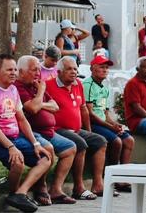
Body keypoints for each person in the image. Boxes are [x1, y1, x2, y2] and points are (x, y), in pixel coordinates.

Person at [0, 54, 54, 212]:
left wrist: (36, 143)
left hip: (12, 137)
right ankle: (13, 193)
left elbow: (22, 120)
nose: (13, 73)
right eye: (9, 69)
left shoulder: (12, 89)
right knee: (18, 161)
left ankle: (19, 193)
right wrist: (11, 147)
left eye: (15, 69)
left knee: (46, 158)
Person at [14, 55, 78, 205]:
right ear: (21, 72)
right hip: (33, 131)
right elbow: (32, 108)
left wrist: (40, 103)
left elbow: (55, 106)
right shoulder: (19, 87)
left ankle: (56, 189)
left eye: (38, 69)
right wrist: (41, 92)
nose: (38, 73)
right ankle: (40, 186)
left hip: (49, 132)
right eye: (34, 70)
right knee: (47, 149)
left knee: (70, 148)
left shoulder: (34, 85)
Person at [46, 56, 108, 200]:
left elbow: (83, 109)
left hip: (76, 129)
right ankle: (78, 187)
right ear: (59, 71)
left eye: (75, 68)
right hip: (58, 129)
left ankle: (98, 184)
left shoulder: (77, 84)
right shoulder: (48, 85)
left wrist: (88, 130)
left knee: (100, 141)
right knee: (80, 144)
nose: (73, 72)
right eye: (69, 69)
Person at [81, 53, 133, 191]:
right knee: (116, 141)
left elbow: (105, 112)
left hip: (103, 122)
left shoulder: (105, 87)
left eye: (106, 68)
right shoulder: (88, 84)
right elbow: (90, 114)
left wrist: (115, 124)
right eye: (101, 67)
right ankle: (111, 177)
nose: (105, 70)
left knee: (129, 141)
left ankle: (122, 178)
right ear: (92, 68)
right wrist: (111, 127)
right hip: (92, 124)